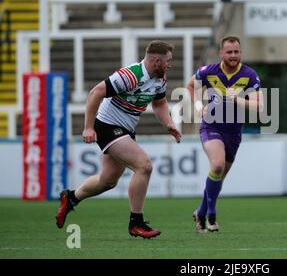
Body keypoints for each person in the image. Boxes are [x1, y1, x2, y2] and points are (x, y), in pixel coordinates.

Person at [55, 40, 182, 239]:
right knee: (144, 166)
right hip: (107, 126)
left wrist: (168, 123)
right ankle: (136, 223)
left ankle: (71, 198)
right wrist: (88, 127)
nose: (170, 64)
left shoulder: (160, 78)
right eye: (168, 61)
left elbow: (159, 102)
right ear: (157, 61)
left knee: (107, 181)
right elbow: (96, 92)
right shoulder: (130, 75)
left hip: (125, 129)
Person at [186, 36, 262, 233]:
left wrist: (238, 99)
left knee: (218, 176)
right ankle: (211, 214)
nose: (233, 55)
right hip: (211, 127)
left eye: (237, 51)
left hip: (234, 133)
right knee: (217, 165)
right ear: (221, 53)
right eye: (229, 52)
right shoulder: (209, 71)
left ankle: (201, 212)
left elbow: (259, 106)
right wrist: (197, 106)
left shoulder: (249, 75)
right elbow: (190, 85)